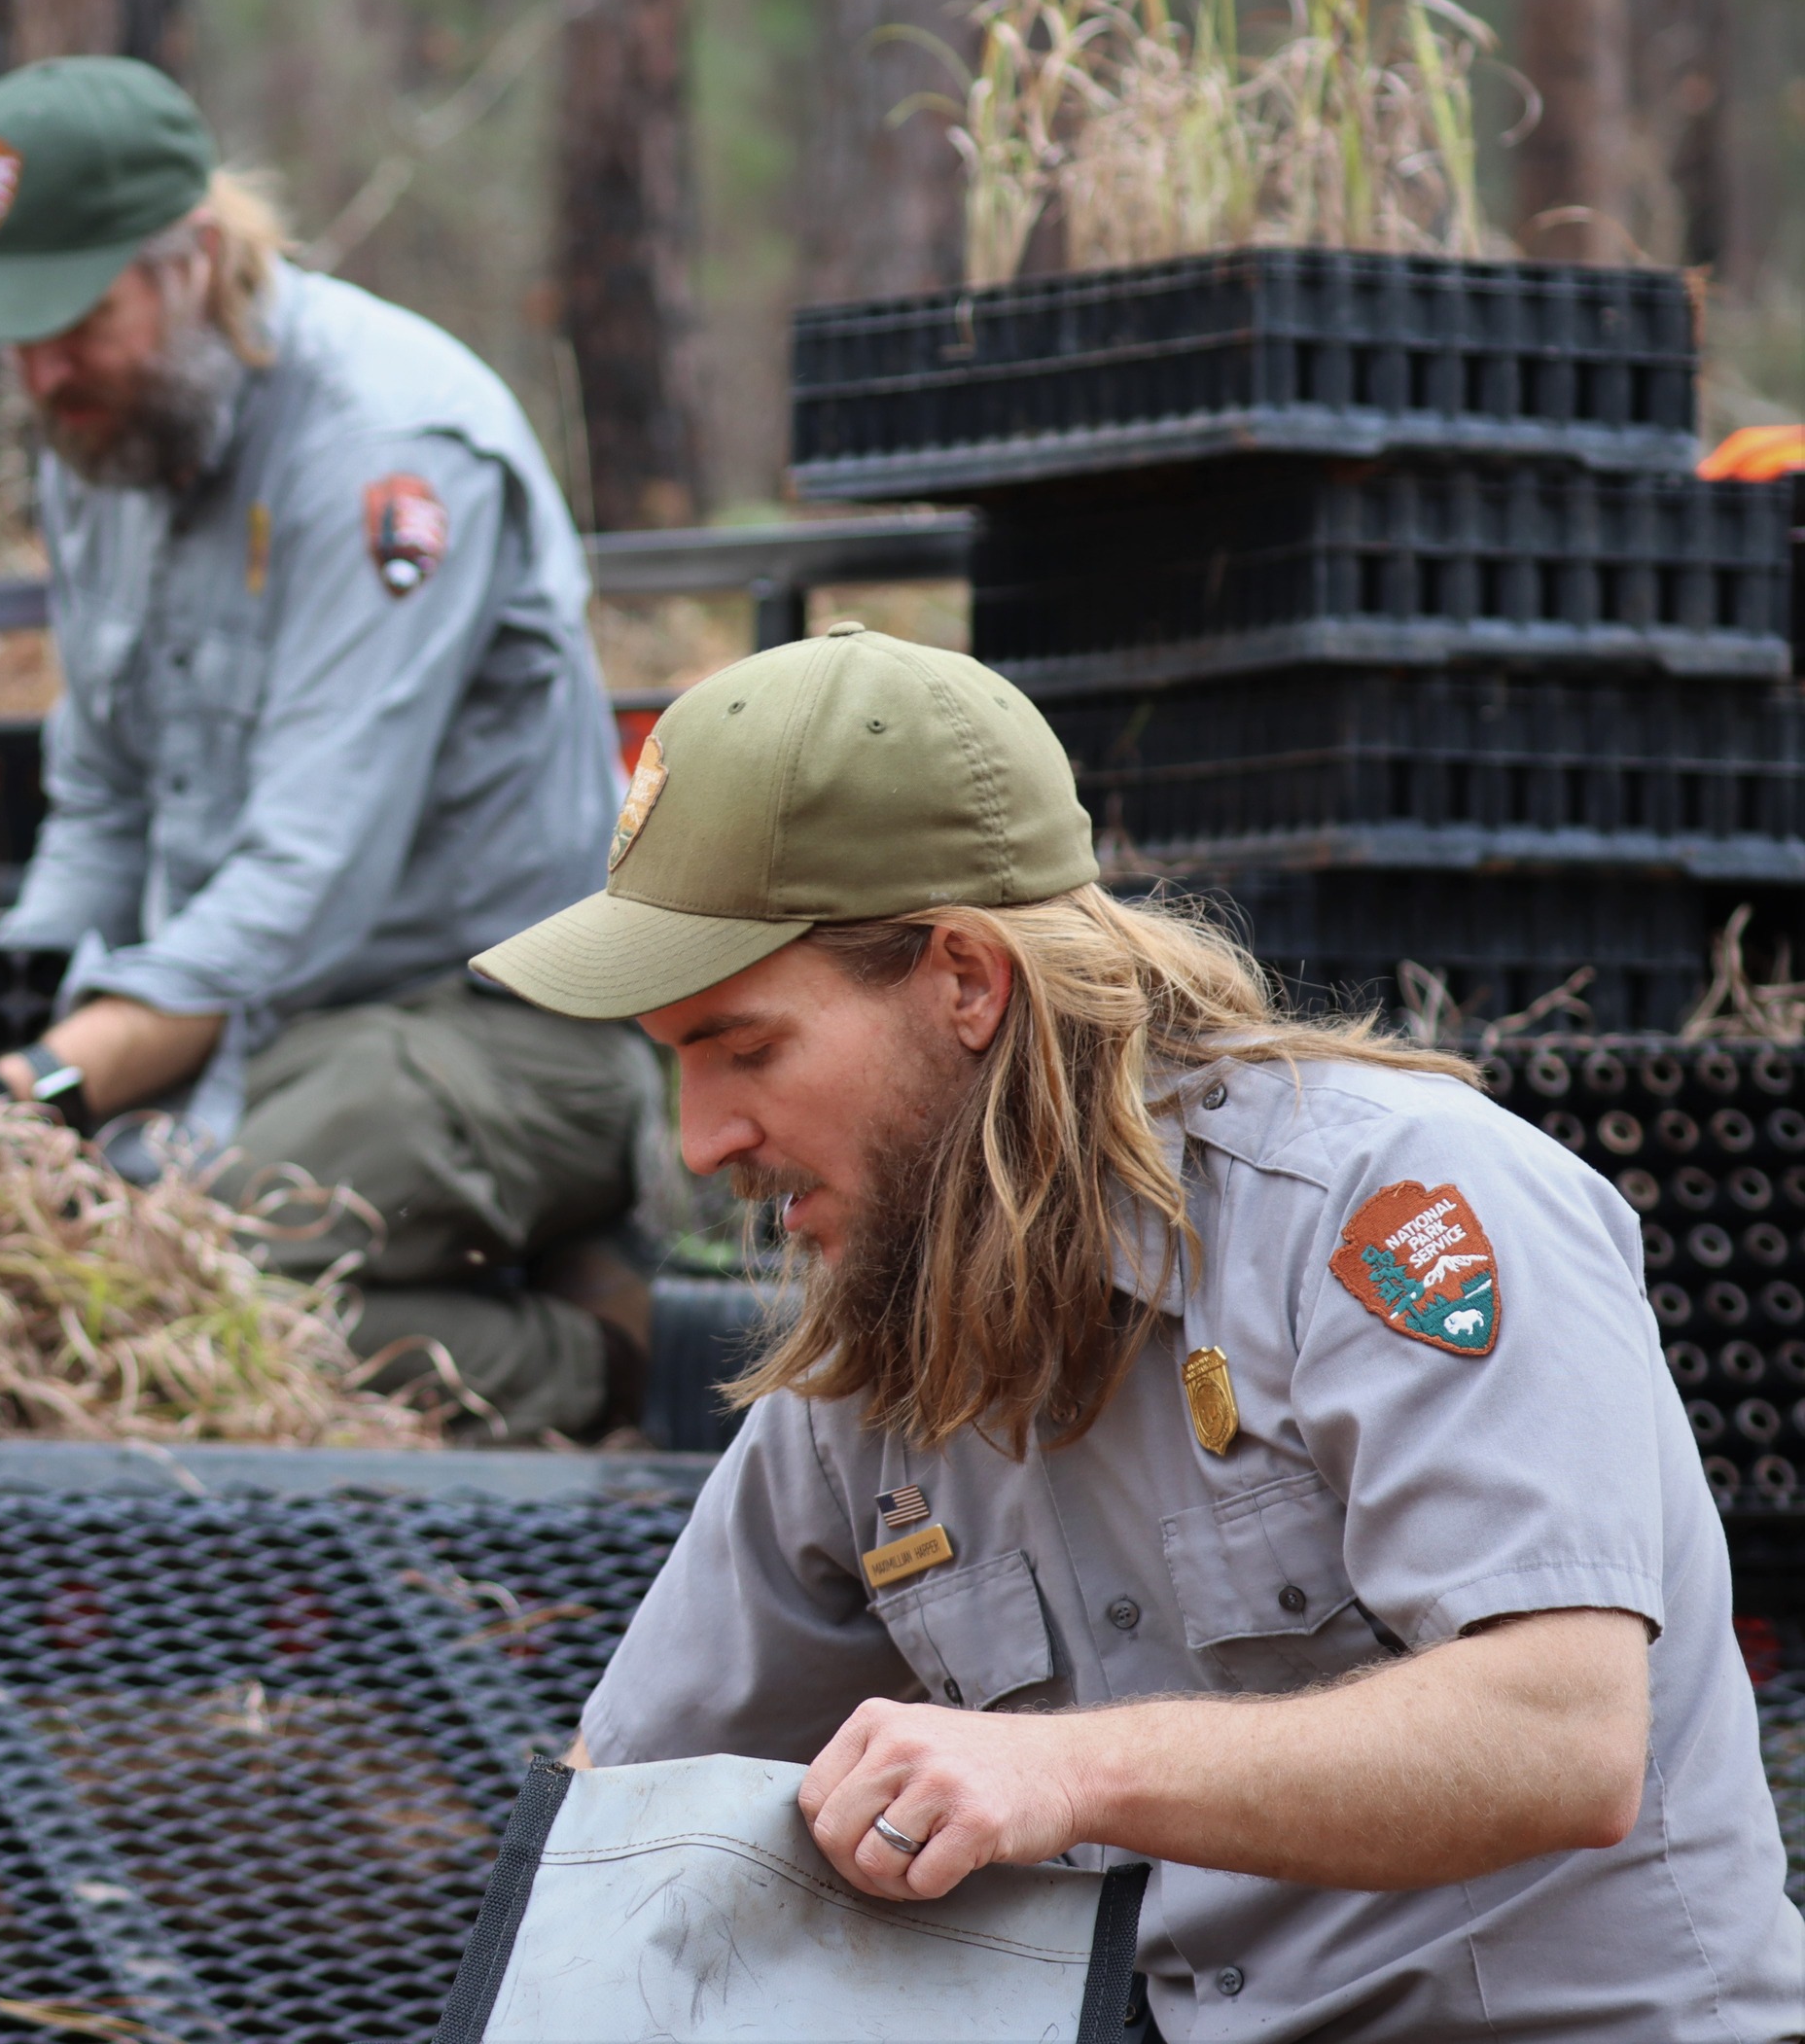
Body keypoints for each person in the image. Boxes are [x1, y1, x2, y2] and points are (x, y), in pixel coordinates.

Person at [471, 621, 1805, 2037]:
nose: (704, 1139)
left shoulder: (1388, 1208)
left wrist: (1063, 1775)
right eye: (676, 1065)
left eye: (746, 1048)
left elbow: (1561, 1738)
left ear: (965, 981)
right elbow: (622, 1825)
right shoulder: (875, 1342)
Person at [0, 55, 651, 1439]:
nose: (42, 375)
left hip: (485, 1027)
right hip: (238, 1016)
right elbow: (102, 805)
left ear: (197, 259)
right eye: (13, 334)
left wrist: (44, 1090)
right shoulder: (99, 436)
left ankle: (608, 1359)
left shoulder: (384, 454)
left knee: (174, 1264)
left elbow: (310, 875)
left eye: (74, 318)